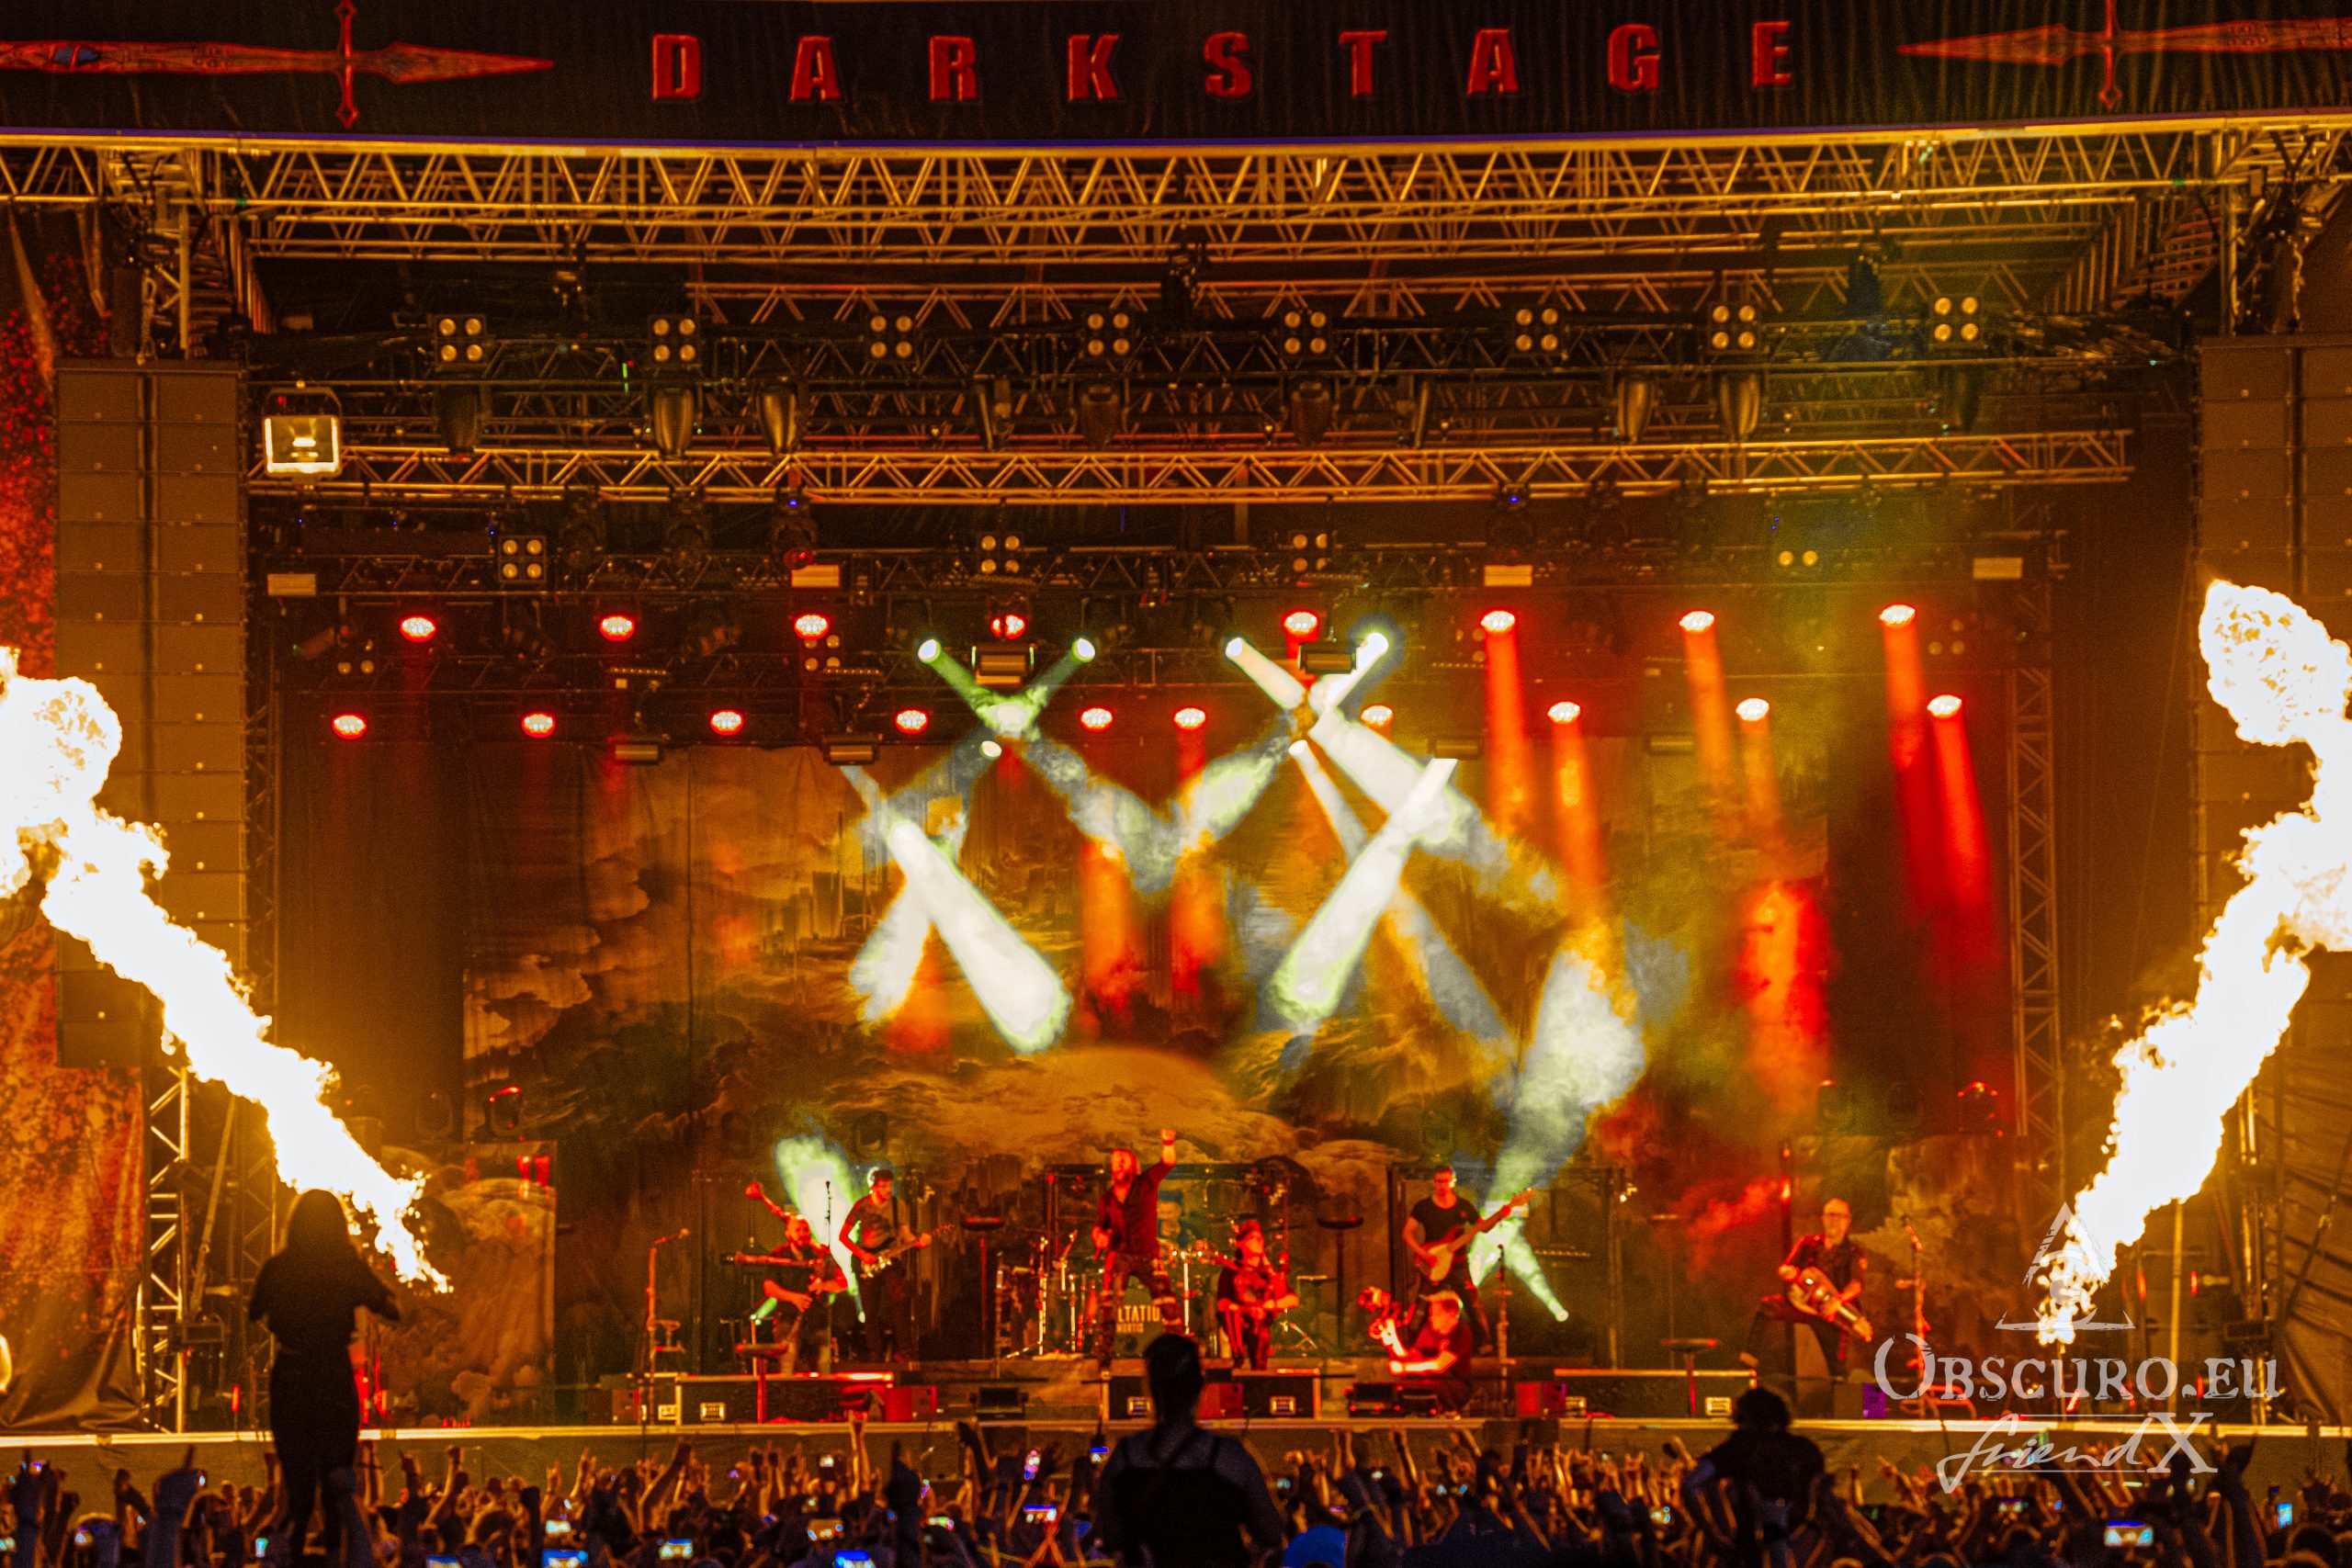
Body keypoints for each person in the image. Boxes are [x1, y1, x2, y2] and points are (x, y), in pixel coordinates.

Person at [245, 1190, 401, 1562]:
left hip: (292, 1374)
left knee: (296, 1486)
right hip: (332, 1374)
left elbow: (254, 1312)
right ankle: (336, 1555)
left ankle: (289, 1555)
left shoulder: (279, 1266)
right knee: (337, 1483)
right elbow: (389, 1308)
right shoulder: (345, 1265)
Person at [1092, 1334, 1288, 1568]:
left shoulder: (1125, 1458)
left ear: (1150, 1387)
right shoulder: (1228, 1456)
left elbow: (1110, 1534)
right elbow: (1271, 1529)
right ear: (1199, 1385)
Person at [1681, 1385, 1825, 1568]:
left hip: (1749, 1543)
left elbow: (1690, 1484)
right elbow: (1821, 1490)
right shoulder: (1804, 1449)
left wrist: (1712, 1532)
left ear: (1743, 1417)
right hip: (1805, 1542)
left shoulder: (1739, 1447)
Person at [1741, 1198, 1870, 1380]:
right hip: (1804, 1304)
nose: (1833, 1221)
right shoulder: (1808, 1244)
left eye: (1839, 1216)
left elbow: (1856, 1284)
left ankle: (1842, 1390)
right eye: (1830, 1215)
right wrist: (1787, 1272)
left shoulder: (1853, 1251)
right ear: (1823, 1218)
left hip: (1831, 1313)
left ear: (1847, 1220)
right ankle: (1747, 1363)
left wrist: (1837, 1300)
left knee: (1837, 1368)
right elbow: (1786, 1267)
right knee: (1768, 1306)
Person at [1091, 1128, 1181, 1369]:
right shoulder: (1107, 1199)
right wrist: (1099, 1236)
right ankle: (1104, 1357)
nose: (1118, 1164)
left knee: (1166, 1302)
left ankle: (1177, 1350)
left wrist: (1167, 1142)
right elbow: (1101, 1226)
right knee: (1108, 1305)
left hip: (1146, 1253)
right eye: (1115, 1161)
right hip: (1119, 1255)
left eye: (1123, 1159)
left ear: (1132, 1164)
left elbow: (1167, 1163)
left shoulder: (1145, 1184)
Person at [839, 1168, 928, 1362]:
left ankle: (904, 1349)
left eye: (890, 1185)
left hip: (891, 1259)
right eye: (884, 1186)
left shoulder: (898, 1205)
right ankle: (875, 1352)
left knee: (900, 1300)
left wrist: (918, 1241)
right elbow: (842, 1236)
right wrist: (862, 1254)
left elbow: (905, 1234)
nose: (888, 1190)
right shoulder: (862, 1206)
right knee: (870, 1310)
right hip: (867, 1261)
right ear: (873, 1187)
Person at [752, 1213, 849, 1372]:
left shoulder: (821, 1255)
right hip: (788, 1319)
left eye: (806, 1229)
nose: (803, 1233)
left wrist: (823, 1285)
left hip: (818, 1320)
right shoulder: (778, 1256)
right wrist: (794, 1298)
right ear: (788, 1233)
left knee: (823, 1367)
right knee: (787, 1365)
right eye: (798, 1230)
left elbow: (843, 1283)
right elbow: (769, 1287)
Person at [1215, 1220, 1297, 1371]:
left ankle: (1259, 1369)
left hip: (1261, 1323)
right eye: (1253, 1238)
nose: (1259, 1241)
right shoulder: (1230, 1271)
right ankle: (1238, 1355)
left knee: (1260, 1329)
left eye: (1260, 1238)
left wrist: (1270, 1305)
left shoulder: (1268, 1273)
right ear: (1241, 1244)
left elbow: (1293, 1299)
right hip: (1239, 1321)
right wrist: (1246, 1309)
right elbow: (1222, 1304)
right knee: (1231, 1315)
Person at [1385, 1288, 1474, 1413]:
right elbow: (1411, 1356)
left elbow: (1439, 1365)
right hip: (1430, 1381)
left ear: (1451, 1313)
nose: (1431, 1318)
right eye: (1431, 1313)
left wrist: (1404, 1368)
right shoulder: (1428, 1331)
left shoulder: (1461, 1333)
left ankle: (1449, 1412)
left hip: (1454, 1385)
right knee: (1402, 1387)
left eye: (1436, 1314)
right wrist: (1393, 1338)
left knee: (1436, 1386)